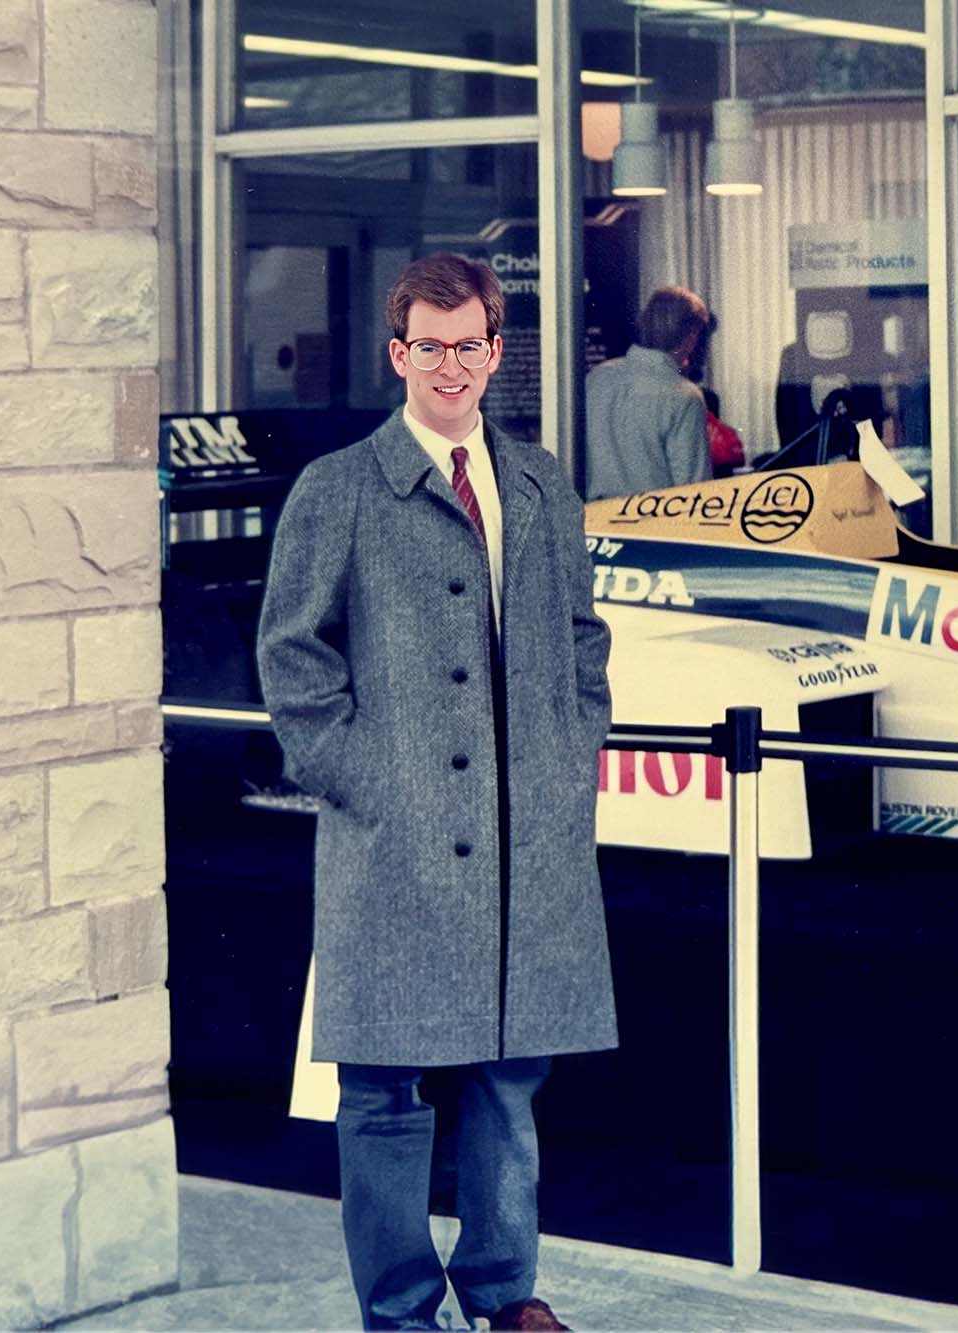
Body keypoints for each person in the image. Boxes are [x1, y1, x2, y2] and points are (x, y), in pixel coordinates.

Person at [257, 253, 614, 1333]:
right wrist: (368, 777)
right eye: (428, 345)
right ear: (396, 353)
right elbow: (291, 659)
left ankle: (505, 1298)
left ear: (496, 353)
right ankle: (403, 1313)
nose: (449, 365)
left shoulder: (543, 483)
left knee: (509, 1083)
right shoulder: (339, 490)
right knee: (384, 1095)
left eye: (469, 345)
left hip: (525, 839)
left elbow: (582, 640)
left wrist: (567, 756)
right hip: (393, 843)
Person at [583, 285, 715, 498]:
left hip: (594, 521)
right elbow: (693, 491)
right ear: (691, 335)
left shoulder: (596, 378)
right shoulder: (684, 396)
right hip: (654, 526)